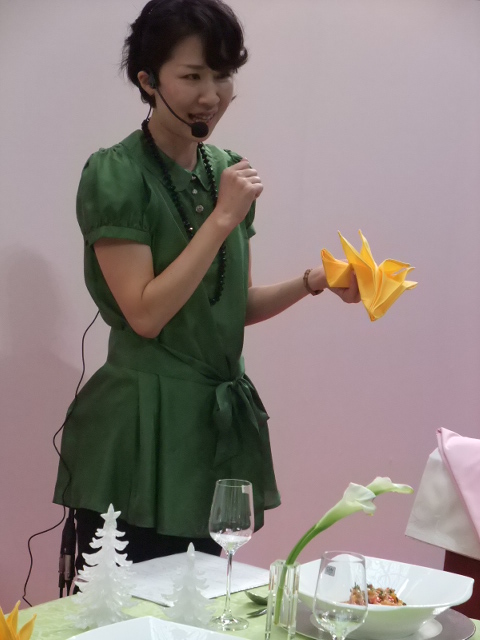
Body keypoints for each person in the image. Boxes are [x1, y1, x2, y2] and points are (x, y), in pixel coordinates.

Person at [53, 0, 360, 572]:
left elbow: (232, 306)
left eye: (222, 76)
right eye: (192, 76)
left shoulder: (227, 170)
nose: (211, 95)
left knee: (202, 599)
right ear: (148, 80)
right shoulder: (117, 173)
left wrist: (314, 281)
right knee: (126, 602)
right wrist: (222, 218)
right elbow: (146, 314)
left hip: (211, 427)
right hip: (140, 428)